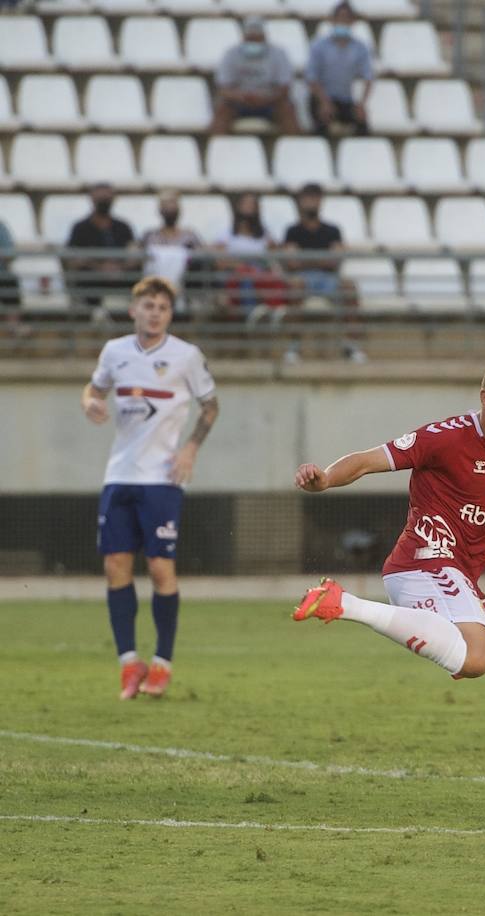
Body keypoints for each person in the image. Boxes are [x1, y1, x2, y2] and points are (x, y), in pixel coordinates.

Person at [291, 350, 485, 833]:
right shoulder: (443, 438)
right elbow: (367, 460)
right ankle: (345, 602)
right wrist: (324, 481)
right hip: (422, 564)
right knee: (473, 660)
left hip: (458, 576)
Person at [81, 275, 220, 700]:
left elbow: (210, 406)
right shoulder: (115, 351)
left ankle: (162, 662)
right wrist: (89, 399)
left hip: (162, 479)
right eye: (148, 306)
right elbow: (94, 387)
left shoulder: (186, 356)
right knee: (114, 567)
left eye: (162, 307)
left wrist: (190, 449)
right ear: (133, 310)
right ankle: (129, 664)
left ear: (169, 314)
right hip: (119, 475)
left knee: (160, 568)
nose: (155, 313)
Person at [283, 182, 365, 362]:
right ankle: (294, 347)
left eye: (315, 198)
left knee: (349, 287)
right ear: (300, 202)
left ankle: (351, 346)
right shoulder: (292, 231)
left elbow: (335, 261)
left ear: (321, 202)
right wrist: (322, 259)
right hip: (304, 279)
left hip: (328, 278)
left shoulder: (333, 230)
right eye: (308, 198)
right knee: (295, 286)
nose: (311, 202)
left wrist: (305, 259)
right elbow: (292, 263)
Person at [210, 16, 298, 136]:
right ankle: (217, 147)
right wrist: (241, 97)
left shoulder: (278, 54)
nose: (253, 42)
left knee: (287, 110)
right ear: (243, 38)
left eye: (257, 39)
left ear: (264, 37)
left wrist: (265, 98)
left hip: (270, 102)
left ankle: (293, 147)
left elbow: (285, 88)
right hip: (238, 102)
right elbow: (223, 88)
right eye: (250, 39)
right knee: (222, 110)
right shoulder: (231, 54)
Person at [65, 183, 138, 312]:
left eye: (107, 198)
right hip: (92, 277)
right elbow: (73, 258)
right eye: (100, 198)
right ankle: (93, 314)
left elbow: (133, 253)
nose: (104, 201)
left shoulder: (123, 227)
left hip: (120, 275)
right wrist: (100, 267)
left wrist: (119, 268)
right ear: (92, 199)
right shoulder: (80, 228)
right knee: (86, 278)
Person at [306, 3, 373, 137]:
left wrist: (361, 104)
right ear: (332, 20)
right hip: (321, 98)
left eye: (347, 18)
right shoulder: (319, 46)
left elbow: (368, 78)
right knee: (321, 122)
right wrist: (324, 102)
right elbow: (311, 78)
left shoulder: (360, 48)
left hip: (345, 100)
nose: (343, 22)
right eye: (340, 18)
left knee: (362, 126)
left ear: (352, 22)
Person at [216, 192, 288, 317]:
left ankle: (269, 312)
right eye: (246, 205)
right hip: (236, 275)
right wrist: (244, 266)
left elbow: (276, 254)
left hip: (259, 274)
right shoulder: (227, 234)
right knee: (247, 279)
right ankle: (250, 315)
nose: (249, 209)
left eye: (252, 205)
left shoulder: (265, 234)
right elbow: (220, 261)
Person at [140, 191, 203, 309]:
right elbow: (136, 253)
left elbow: (201, 254)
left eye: (172, 205)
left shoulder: (189, 236)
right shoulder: (149, 235)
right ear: (160, 210)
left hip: (185, 286)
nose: (169, 209)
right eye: (166, 205)